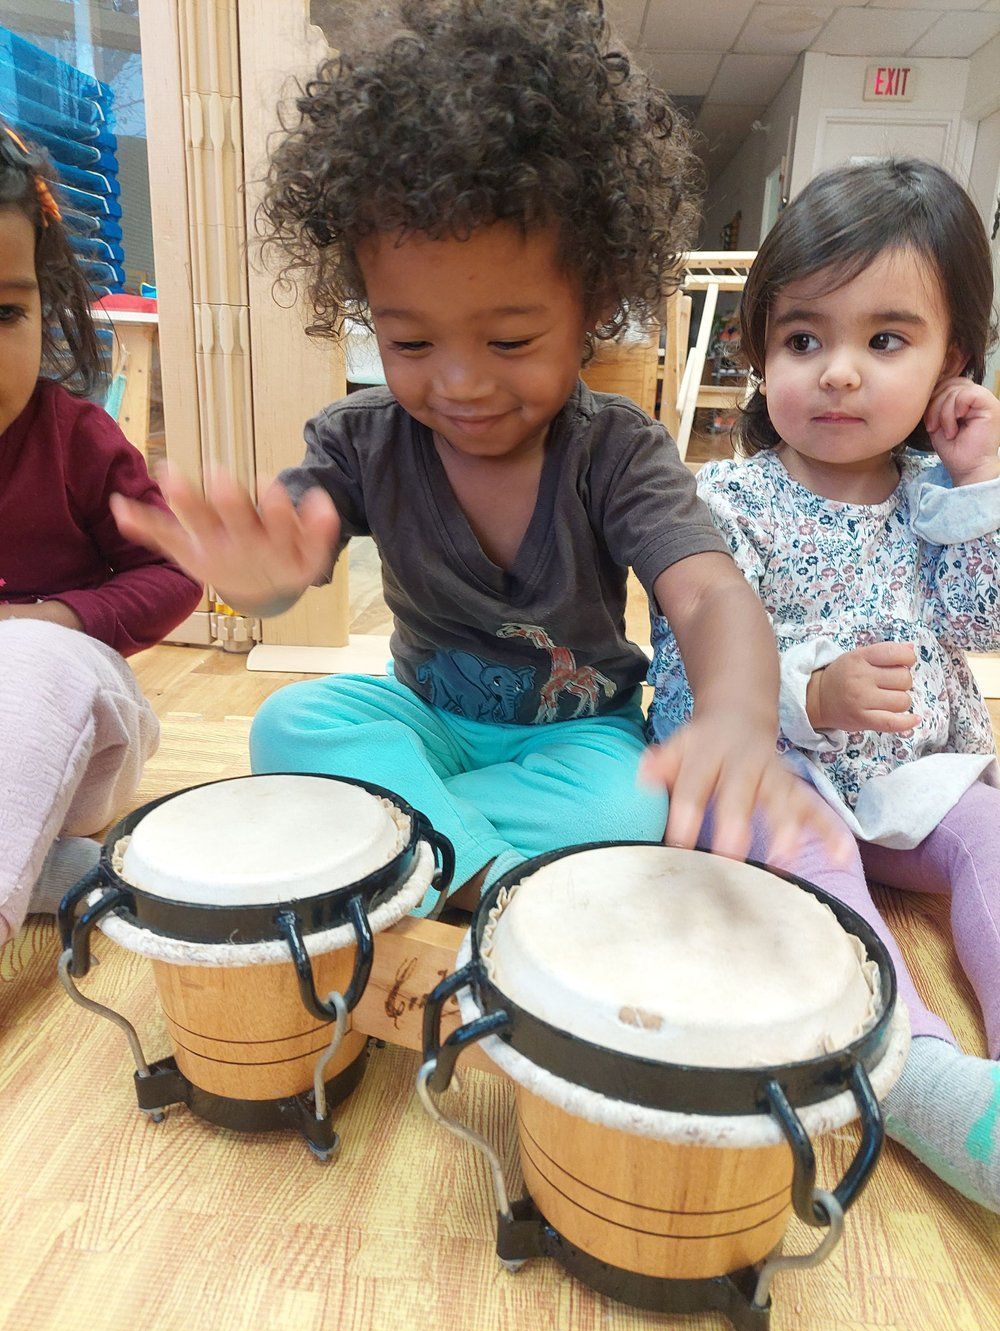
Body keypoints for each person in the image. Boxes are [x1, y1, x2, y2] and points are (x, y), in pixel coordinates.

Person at [113, 0, 837, 920]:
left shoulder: (617, 450)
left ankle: (411, 850)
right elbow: (286, 554)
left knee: (637, 798)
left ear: (595, 301)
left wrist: (736, 715)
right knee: (292, 721)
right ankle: (498, 876)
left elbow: (706, 593)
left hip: (578, 741)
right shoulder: (358, 439)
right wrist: (260, 581)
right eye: (410, 343)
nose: (459, 384)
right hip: (421, 724)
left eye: (508, 341)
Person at [649, 159, 1000, 1210]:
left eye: (884, 340)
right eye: (805, 339)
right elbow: (687, 679)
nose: (838, 371)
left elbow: (984, 619)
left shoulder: (939, 495)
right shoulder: (727, 498)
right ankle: (923, 1076)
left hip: (921, 771)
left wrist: (980, 482)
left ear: (955, 366)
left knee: (992, 838)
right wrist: (810, 695)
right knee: (812, 867)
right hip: (789, 775)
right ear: (760, 356)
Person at [0, 123, 202, 944]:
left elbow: (177, 572)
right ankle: (58, 868)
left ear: (46, 307)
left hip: (78, 724)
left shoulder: (74, 436)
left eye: (4, 309)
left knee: (30, 658)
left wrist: (66, 618)